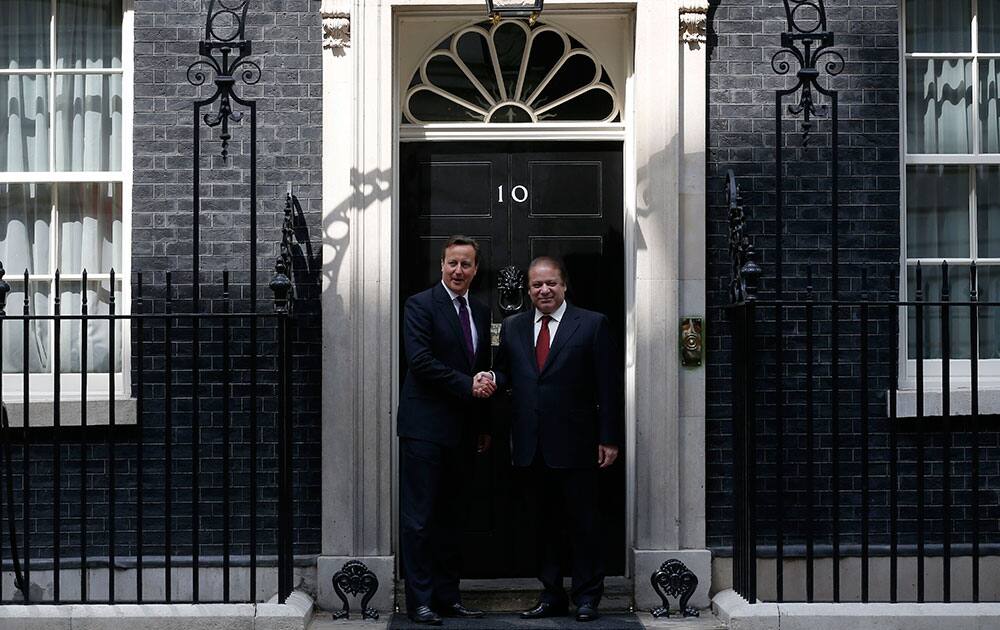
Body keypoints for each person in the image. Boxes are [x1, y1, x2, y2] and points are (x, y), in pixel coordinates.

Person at [481, 255, 623, 623]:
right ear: (528, 290)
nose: (544, 290)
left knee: (583, 523)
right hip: (530, 445)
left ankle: (588, 597)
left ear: (564, 286)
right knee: (542, 525)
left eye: (551, 284)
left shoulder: (592, 325)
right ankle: (552, 594)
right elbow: (506, 374)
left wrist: (609, 437)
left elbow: (608, 386)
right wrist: (490, 379)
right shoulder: (513, 327)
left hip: (577, 444)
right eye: (536, 285)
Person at [397, 235, 495, 625]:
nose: (458, 271)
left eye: (466, 264)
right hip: (424, 429)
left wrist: (484, 421)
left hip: (464, 430)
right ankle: (420, 601)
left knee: (453, 518)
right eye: (452, 263)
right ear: (442, 266)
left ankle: (447, 596)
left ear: (475, 269)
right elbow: (420, 361)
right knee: (420, 519)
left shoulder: (483, 311)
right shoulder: (420, 305)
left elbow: (483, 364)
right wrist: (466, 384)